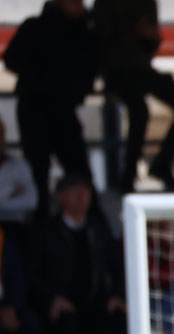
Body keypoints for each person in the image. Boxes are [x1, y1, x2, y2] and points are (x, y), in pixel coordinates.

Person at [23, 173, 126, 334]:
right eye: (75, 191)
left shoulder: (98, 229)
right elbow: (31, 275)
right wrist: (51, 299)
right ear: (61, 197)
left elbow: (118, 266)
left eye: (86, 191)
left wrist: (117, 295)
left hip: (96, 302)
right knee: (65, 319)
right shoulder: (46, 231)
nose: (82, 197)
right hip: (62, 304)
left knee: (123, 319)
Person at [3, 0, 96, 220]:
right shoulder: (35, 27)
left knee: (78, 171)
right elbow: (11, 60)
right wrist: (43, 72)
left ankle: (89, 225)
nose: (79, 5)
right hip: (35, 108)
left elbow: (92, 66)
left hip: (62, 110)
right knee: (38, 171)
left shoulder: (85, 32)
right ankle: (40, 228)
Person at [93, 0, 174, 193]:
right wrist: (134, 32)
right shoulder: (106, 4)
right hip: (117, 72)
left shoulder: (147, 3)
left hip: (141, 69)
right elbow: (99, 40)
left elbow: (152, 43)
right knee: (139, 112)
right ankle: (129, 175)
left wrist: (147, 37)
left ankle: (161, 165)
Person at [0, 118, 38, 227]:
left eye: (2, 133)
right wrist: (11, 189)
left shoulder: (19, 165)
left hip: (14, 227)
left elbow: (31, 200)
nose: (1, 138)